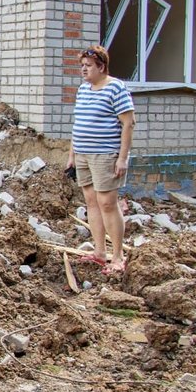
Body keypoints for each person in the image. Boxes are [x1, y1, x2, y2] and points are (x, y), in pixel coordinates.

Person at [66, 45, 136, 274]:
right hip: (84, 154)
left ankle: (118, 256)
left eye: (88, 66)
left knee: (107, 202)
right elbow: (78, 124)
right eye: (82, 66)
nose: (83, 71)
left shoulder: (116, 88)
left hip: (106, 155)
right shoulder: (84, 90)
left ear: (101, 66)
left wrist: (122, 158)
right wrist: (72, 154)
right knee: (91, 202)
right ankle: (99, 252)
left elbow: (128, 123)